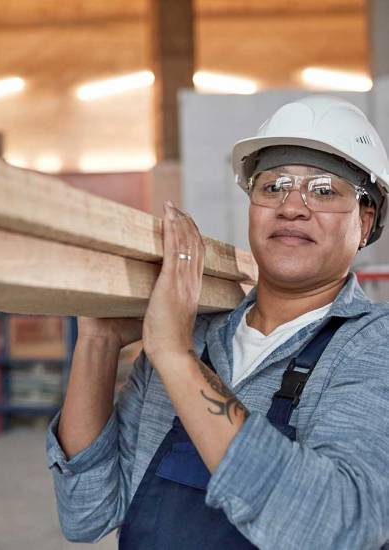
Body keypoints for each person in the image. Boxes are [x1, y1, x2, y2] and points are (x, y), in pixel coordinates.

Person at [46, 95, 389, 549]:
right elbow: (87, 513)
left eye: (323, 190)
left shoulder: (371, 347)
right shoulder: (197, 333)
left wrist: (175, 356)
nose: (292, 207)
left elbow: (333, 528)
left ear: (366, 221)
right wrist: (97, 340)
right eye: (273, 186)